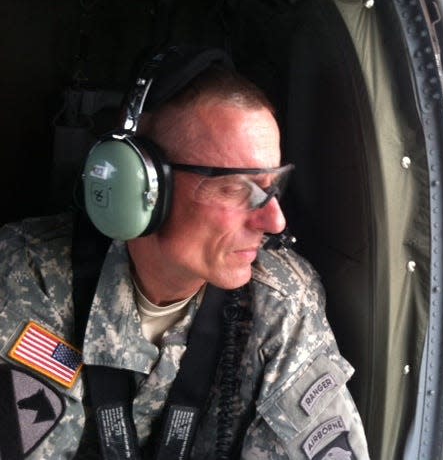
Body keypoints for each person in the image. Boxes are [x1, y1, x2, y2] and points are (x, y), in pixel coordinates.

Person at [0, 47, 369, 459]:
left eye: (272, 186)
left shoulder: (281, 298)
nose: (274, 222)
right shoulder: (27, 275)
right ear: (142, 188)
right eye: (236, 187)